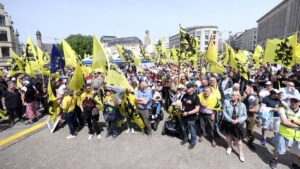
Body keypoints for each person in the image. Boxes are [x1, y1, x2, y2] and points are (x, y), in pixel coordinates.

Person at [269, 96, 300, 169]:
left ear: (299, 103)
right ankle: (274, 160)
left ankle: (294, 164)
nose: (293, 102)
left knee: (296, 151)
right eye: (292, 100)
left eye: (295, 101)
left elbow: (287, 121)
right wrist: (298, 125)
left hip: (298, 136)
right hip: (284, 133)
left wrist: (293, 121)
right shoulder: (283, 109)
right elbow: (284, 121)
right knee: (279, 149)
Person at [222, 91, 247, 162]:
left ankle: (240, 153)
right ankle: (229, 147)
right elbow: (224, 112)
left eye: (233, 95)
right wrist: (230, 120)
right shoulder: (227, 102)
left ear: (238, 97)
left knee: (238, 140)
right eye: (231, 95)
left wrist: (238, 120)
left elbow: (245, 115)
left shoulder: (242, 105)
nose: (231, 96)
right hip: (228, 123)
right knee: (228, 136)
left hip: (237, 124)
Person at [180, 82, 200, 149]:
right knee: (183, 129)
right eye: (187, 87)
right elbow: (181, 102)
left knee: (192, 131)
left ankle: (193, 142)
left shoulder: (196, 97)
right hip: (183, 115)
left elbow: (197, 109)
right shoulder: (185, 95)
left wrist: (188, 113)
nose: (187, 88)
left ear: (193, 88)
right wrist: (181, 108)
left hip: (191, 117)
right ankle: (186, 139)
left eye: (189, 87)